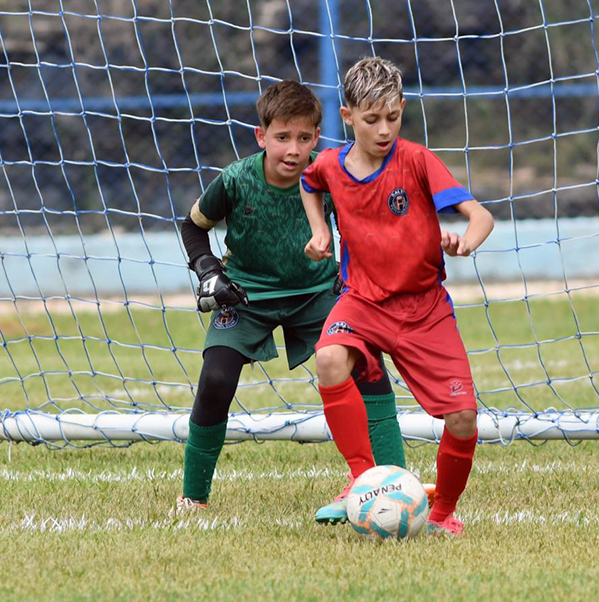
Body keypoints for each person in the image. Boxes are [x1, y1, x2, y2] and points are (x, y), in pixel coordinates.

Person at [176, 80, 409, 523]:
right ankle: (193, 498)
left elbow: (365, 227)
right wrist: (210, 273)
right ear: (262, 136)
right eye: (282, 137)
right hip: (245, 296)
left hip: (318, 295)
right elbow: (192, 227)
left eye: (304, 138)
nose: (293, 149)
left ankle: (388, 484)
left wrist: (356, 277)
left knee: (369, 367)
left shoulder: (331, 174)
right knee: (216, 379)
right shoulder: (236, 179)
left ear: (317, 138)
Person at [300, 57, 494, 536]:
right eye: (371, 120)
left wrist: (465, 239)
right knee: (328, 360)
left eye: (393, 116)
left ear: (403, 109)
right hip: (362, 301)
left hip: (423, 307)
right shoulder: (330, 164)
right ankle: (361, 480)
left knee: (465, 417)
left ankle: (443, 512)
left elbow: (481, 216)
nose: (384, 129)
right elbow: (310, 181)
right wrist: (320, 229)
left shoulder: (417, 160)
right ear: (347, 117)